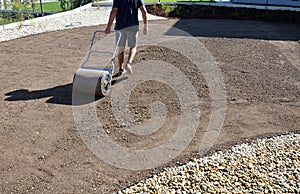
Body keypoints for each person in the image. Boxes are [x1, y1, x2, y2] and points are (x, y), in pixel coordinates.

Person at [104, 0, 148, 76]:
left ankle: (121, 69)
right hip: (132, 26)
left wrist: (108, 27)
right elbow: (144, 11)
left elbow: (114, 11)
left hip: (120, 27)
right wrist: (145, 25)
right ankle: (129, 64)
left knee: (121, 48)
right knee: (133, 47)